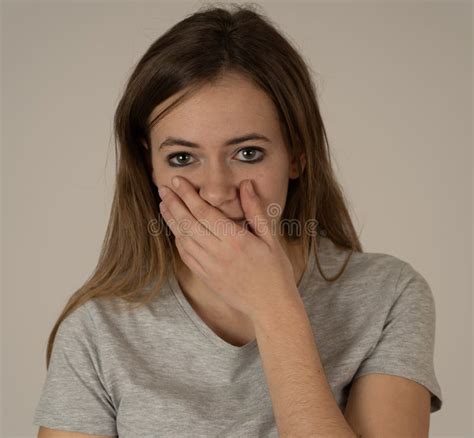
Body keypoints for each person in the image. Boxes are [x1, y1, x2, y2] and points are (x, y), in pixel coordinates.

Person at [33, 4, 443, 437]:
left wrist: (274, 307)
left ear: (297, 153)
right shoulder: (98, 332)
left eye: (247, 153)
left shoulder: (389, 296)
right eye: (182, 158)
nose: (215, 191)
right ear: (149, 165)